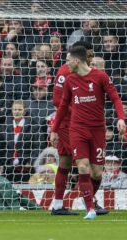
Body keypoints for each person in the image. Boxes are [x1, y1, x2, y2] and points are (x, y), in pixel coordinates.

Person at [50, 46, 126, 219]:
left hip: (97, 129)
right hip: (77, 129)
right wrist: (54, 129)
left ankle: (88, 198)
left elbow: (115, 97)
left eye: (68, 59)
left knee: (97, 172)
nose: (66, 63)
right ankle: (90, 208)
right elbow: (61, 106)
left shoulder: (100, 76)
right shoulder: (69, 79)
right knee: (81, 166)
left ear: (77, 60)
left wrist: (120, 118)